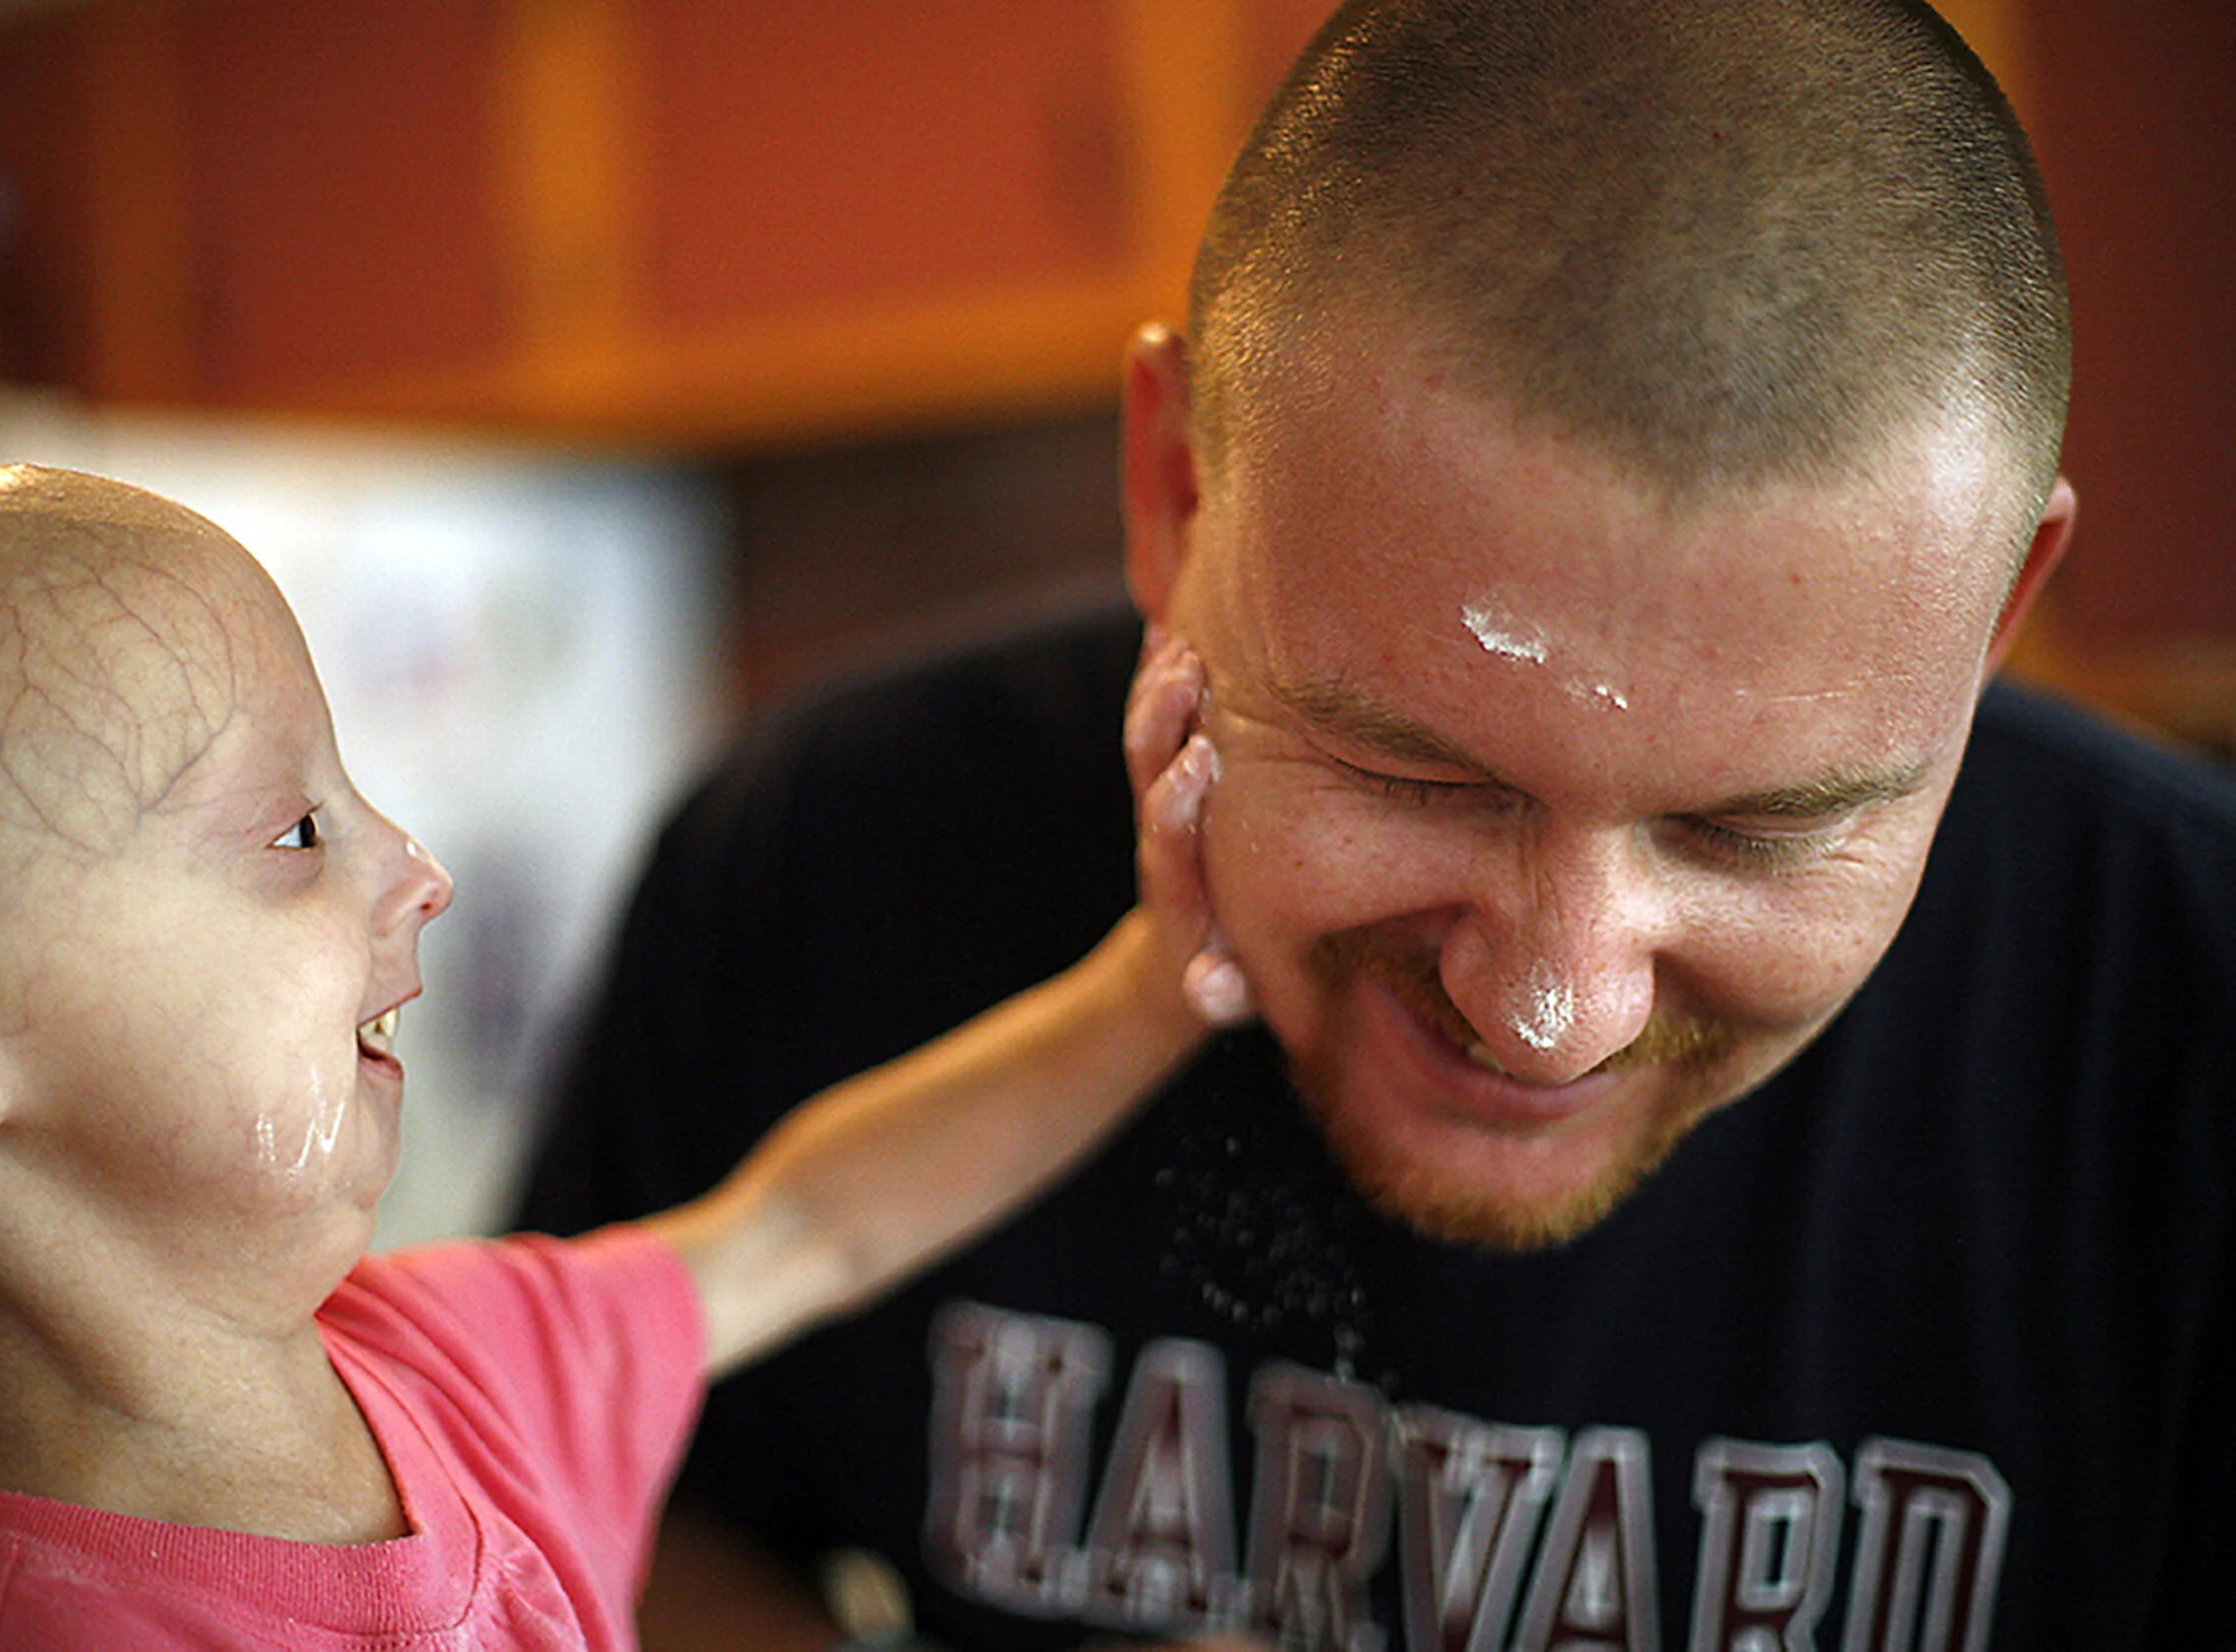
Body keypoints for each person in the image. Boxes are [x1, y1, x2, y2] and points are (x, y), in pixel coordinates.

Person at [515, 1, 2236, 1648]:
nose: (1550, 1009)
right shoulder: (828, 852)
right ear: (1176, 490)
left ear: (1991, 620)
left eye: (1751, 833)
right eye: (1417, 779)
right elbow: (547, 1520)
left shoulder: (2188, 1000)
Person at [0, 464, 1247, 1651]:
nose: (418, 866)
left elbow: (812, 1219)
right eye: (293, 832)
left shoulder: (454, 1367)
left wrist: (1156, 984)